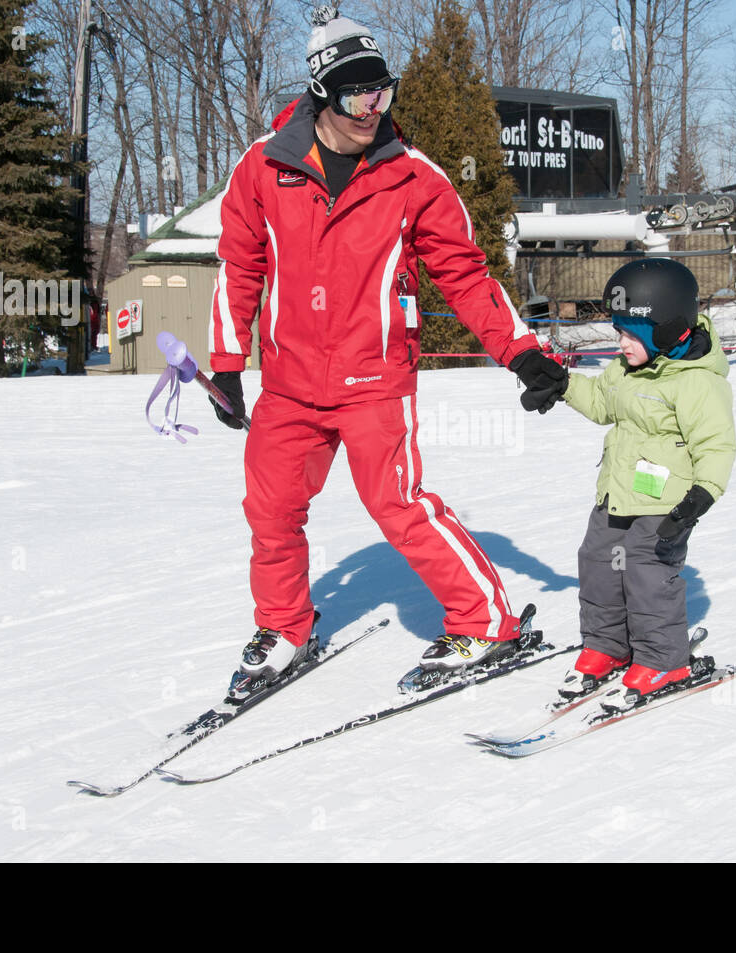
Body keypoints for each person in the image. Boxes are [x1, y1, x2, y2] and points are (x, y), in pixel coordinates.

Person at [206, 7, 568, 698]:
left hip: (374, 375)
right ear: (321, 96)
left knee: (396, 502)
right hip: (289, 380)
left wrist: (519, 351)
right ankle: (285, 625)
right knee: (271, 506)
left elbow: (464, 273)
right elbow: (239, 264)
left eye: (383, 91)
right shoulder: (263, 168)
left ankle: (486, 620)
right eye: (356, 94)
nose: (373, 108)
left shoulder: (413, 177)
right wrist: (226, 362)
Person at [547, 259, 736, 711]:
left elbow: (717, 444)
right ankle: (607, 645)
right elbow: (601, 404)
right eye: (619, 331)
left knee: (647, 573)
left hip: (667, 504)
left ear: (668, 330)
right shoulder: (627, 369)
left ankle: (663, 659)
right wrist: (560, 383)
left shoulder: (696, 383)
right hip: (617, 493)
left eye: (633, 334)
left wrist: (701, 496)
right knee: (598, 563)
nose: (622, 343)